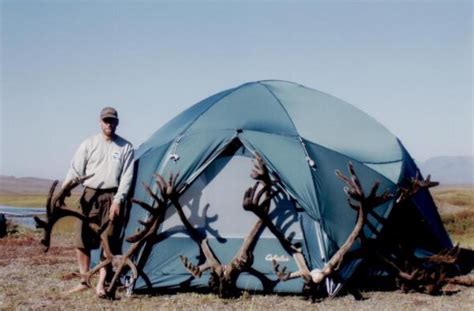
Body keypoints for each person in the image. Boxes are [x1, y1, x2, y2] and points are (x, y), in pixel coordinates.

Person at [62, 107, 134, 297]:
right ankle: (84, 280)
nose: (109, 124)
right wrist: (65, 189)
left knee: (108, 241)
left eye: (112, 121)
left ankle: (100, 284)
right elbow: (75, 169)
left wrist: (118, 200)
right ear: (100, 122)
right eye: (106, 121)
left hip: (112, 196)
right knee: (81, 239)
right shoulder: (89, 144)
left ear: (117, 122)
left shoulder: (126, 147)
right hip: (89, 195)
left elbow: (127, 177)